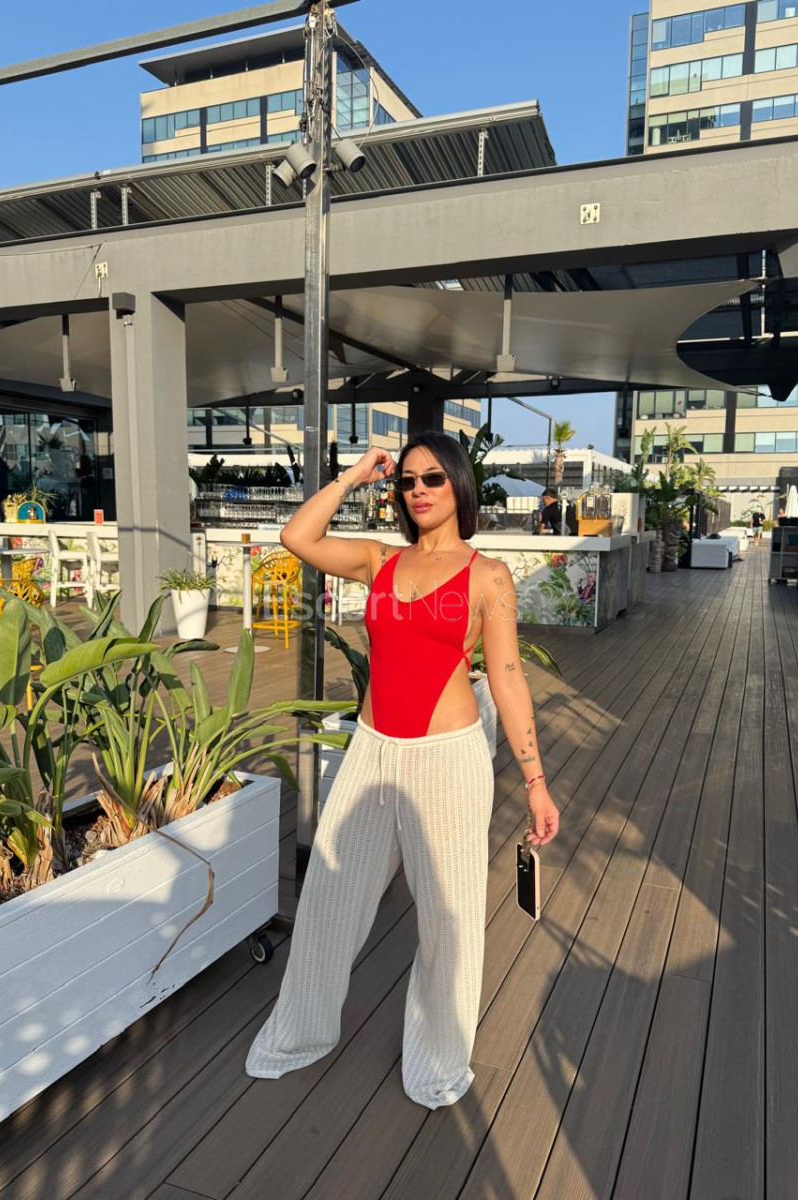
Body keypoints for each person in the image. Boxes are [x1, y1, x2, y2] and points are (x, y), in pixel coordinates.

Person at [245, 432, 559, 1108]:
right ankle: (300, 1033)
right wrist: (355, 475)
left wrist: (535, 783)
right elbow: (297, 536)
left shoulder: (488, 576)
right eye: (408, 480)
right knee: (328, 900)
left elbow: (507, 678)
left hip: (449, 761)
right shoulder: (378, 560)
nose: (418, 490)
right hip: (371, 751)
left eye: (433, 478)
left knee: (449, 920)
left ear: (459, 485)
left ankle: (437, 1060)